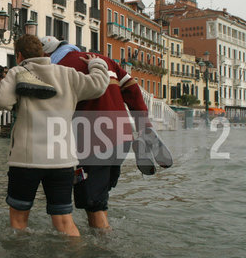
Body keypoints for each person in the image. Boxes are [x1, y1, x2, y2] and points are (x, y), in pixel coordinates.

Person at [41, 36, 172, 230]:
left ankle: (102, 247)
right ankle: (144, 133)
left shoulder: (56, 68)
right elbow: (133, 90)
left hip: (92, 141)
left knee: (93, 203)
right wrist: (142, 122)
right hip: (122, 137)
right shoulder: (104, 59)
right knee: (100, 196)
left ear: (47, 54)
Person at [0, 35, 110, 237]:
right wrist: (96, 64)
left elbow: (1, 99)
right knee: (64, 221)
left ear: (19, 56)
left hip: (26, 160)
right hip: (61, 161)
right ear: (44, 54)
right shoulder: (67, 74)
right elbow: (98, 85)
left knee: (19, 220)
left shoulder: (18, 72)